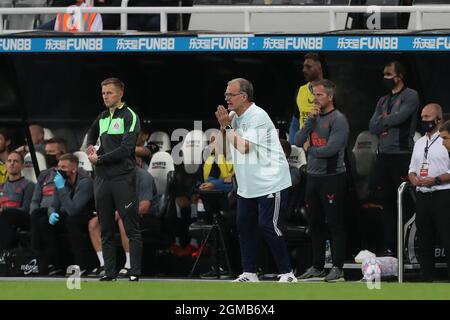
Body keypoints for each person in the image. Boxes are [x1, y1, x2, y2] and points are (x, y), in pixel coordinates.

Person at [214, 78, 296, 283]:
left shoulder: (258, 116)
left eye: (230, 95)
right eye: (226, 95)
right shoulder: (233, 116)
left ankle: (287, 273)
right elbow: (221, 150)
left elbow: (244, 147)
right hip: (247, 185)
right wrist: (223, 128)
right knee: (244, 226)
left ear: (243, 96)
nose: (226, 99)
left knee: (269, 225)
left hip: (271, 181)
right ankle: (249, 273)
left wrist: (228, 127)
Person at [86, 77, 142, 281]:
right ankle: (109, 272)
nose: (105, 96)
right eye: (103, 93)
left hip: (121, 178)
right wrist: (90, 149)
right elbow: (90, 135)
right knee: (106, 227)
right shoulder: (102, 116)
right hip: (101, 179)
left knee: (131, 226)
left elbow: (127, 149)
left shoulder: (130, 116)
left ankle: (134, 271)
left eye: (109, 93)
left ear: (120, 94)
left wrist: (99, 158)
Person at [295, 79, 349, 282]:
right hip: (313, 177)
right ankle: (317, 266)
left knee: (335, 224)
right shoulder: (314, 118)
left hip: (332, 178)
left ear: (329, 96)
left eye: (318, 95)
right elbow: (298, 141)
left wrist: (311, 150)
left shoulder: (338, 119)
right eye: (313, 95)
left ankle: (338, 267)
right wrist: (310, 120)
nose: (315, 99)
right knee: (314, 223)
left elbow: (331, 149)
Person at [368, 61, 419, 257]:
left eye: (389, 74)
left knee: (404, 203)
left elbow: (400, 118)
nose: (386, 78)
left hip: (402, 155)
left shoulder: (411, 95)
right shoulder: (382, 101)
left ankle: (408, 248)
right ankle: (391, 248)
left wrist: (384, 120)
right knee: (386, 204)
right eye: (384, 74)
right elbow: (372, 126)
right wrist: (387, 120)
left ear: (399, 76)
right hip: (384, 156)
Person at [87, 157, 160, 278]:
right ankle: (104, 264)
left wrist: (119, 213)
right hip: (120, 213)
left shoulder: (143, 176)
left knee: (124, 220)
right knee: (93, 223)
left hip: (148, 217)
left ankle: (129, 264)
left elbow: (145, 206)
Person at [408, 104, 450, 281]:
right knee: (424, 240)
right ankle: (426, 278)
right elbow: (411, 168)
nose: (423, 120)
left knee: (447, 238)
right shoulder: (419, 142)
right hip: (423, 195)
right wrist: (413, 179)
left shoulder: (446, 140)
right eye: (422, 117)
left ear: (438, 119)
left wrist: (437, 180)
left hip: (443, 194)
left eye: (427, 117)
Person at [35, 153, 95, 275]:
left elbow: (73, 210)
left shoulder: (86, 182)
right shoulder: (61, 181)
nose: (59, 170)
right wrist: (52, 213)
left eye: (63, 167)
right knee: (43, 222)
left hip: (85, 217)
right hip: (68, 215)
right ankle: (54, 264)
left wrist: (61, 188)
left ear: (73, 169)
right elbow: (53, 204)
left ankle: (82, 265)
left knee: (71, 220)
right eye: (59, 167)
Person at [29, 138, 68, 275]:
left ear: (61, 153)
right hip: (40, 212)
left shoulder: (70, 173)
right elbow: (35, 200)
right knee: (10, 214)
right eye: (46, 152)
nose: (47, 155)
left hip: (58, 212)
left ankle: (45, 259)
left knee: (40, 220)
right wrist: (32, 213)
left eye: (51, 152)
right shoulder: (44, 175)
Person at [0, 151, 35, 252]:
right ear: (6, 164)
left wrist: (4, 210)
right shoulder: (1, 186)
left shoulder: (29, 185)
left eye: (16, 161)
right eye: (9, 161)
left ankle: (5, 252)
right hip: (3, 218)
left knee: (5, 213)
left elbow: (26, 208)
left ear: (22, 166)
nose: (12, 163)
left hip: (21, 218)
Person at [288, 53, 324, 144]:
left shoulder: (329, 92)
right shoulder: (300, 91)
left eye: (308, 67)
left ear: (319, 68)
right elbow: (295, 122)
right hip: (302, 147)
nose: (304, 70)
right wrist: (293, 148)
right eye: (304, 66)